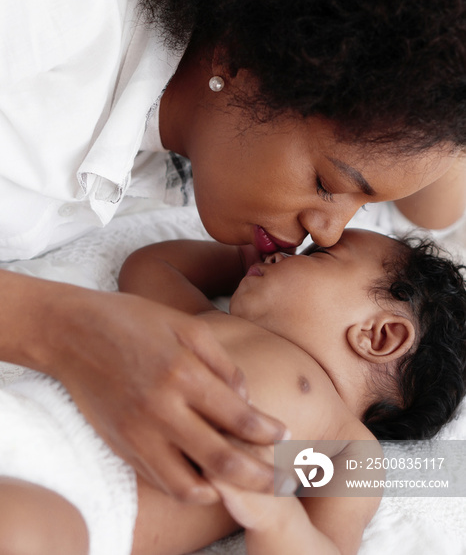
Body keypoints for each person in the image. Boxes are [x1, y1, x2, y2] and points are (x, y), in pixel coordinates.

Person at [1, 0, 466, 502]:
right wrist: (61, 328)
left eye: (366, 204)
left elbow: (438, 475)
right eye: (331, 182)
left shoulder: (336, 437)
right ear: (243, 58)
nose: (327, 231)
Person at [0, 229, 465, 555]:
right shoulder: (205, 323)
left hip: (84, 505)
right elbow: (151, 265)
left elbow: (327, 548)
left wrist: (276, 520)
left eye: (316, 257)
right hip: (19, 416)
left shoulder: (342, 445)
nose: (284, 254)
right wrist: (240, 259)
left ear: (379, 336)